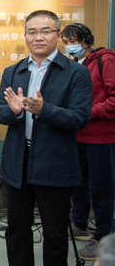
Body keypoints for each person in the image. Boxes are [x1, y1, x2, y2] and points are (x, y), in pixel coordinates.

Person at [0, 10, 93, 265]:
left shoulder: (76, 73)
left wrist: (44, 110)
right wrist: (14, 112)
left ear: (58, 35)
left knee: (55, 232)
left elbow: (80, 118)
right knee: (17, 229)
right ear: (25, 36)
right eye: (32, 32)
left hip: (55, 162)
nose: (38, 37)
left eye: (46, 31)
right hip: (18, 161)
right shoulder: (13, 71)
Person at [61, 23, 115, 261]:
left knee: (101, 189)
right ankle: (80, 224)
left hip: (100, 137)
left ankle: (103, 239)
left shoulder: (105, 60)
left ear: (86, 40)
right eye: (65, 42)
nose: (69, 46)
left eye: (73, 41)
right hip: (76, 136)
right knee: (79, 185)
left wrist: (87, 112)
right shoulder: (73, 65)